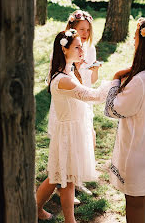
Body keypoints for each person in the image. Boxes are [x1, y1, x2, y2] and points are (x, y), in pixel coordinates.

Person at [36, 29, 113, 222]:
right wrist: (115, 81)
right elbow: (94, 96)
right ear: (64, 49)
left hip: (72, 131)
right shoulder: (63, 80)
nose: (82, 50)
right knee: (66, 180)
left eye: (81, 47)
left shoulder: (66, 72)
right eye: (77, 47)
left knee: (57, 177)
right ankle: (70, 221)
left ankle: (35, 208)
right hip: (67, 134)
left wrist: (78, 66)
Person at [104, 17, 145, 223]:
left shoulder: (141, 81)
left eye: (135, 37)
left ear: (144, 41)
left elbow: (114, 110)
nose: (133, 41)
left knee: (135, 204)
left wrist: (116, 78)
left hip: (138, 154)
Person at [48, 10, 102, 201]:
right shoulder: (64, 56)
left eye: (88, 29)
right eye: (81, 29)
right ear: (72, 29)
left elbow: (91, 82)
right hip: (70, 101)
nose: (85, 33)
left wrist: (93, 70)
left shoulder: (89, 48)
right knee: (65, 149)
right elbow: (71, 84)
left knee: (88, 140)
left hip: (83, 98)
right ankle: (64, 184)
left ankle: (74, 182)